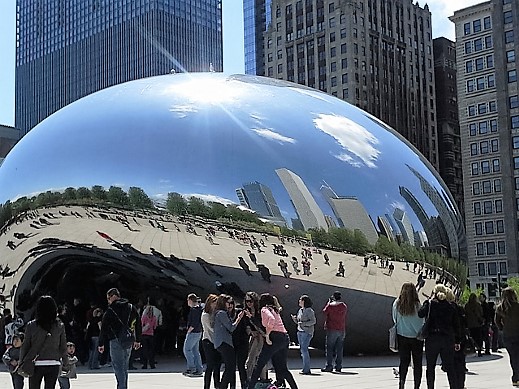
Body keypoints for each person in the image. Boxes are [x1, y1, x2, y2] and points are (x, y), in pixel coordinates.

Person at [247, 293, 298, 389]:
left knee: (259, 365)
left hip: (274, 337)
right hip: (284, 337)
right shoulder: (274, 310)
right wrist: (251, 318)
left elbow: (271, 320)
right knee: (283, 368)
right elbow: (263, 325)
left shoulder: (264, 309)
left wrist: (267, 335)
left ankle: (250, 387)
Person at [418, 284, 461, 389]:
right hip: (447, 339)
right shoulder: (451, 306)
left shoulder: (430, 304)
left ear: (434, 293)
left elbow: (420, 313)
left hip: (432, 339)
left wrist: (428, 301)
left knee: (430, 367)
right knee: (450, 367)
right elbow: (457, 325)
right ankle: (453, 387)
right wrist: (457, 341)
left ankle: (431, 387)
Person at [20, 295, 67, 389]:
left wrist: (21, 361)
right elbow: (63, 346)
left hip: (35, 362)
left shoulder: (31, 325)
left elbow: (25, 345)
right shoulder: (59, 326)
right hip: (54, 362)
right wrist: (65, 361)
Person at [98, 288, 142, 389]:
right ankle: (124, 386)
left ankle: (121, 387)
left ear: (113, 297)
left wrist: (101, 343)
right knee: (124, 367)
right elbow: (138, 324)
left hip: (115, 340)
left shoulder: (110, 310)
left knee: (118, 367)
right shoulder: (131, 307)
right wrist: (138, 339)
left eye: (108, 298)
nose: (108, 301)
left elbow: (104, 328)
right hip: (128, 339)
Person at [392, 282, 424, 389]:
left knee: (404, 361)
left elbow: (395, 319)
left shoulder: (397, 303)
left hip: (402, 336)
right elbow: (421, 321)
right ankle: (416, 386)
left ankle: (401, 383)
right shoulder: (418, 305)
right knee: (417, 363)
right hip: (417, 337)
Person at [214, 294, 245, 389]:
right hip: (224, 342)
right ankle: (223, 386)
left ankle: (224, 386)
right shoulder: (221, 313)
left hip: (223, 343)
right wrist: (239, 318)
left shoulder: (221, 313)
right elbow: (231, 327)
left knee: (229, 366)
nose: (231, 305)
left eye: (232, 303)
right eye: (229, 303)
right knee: (230, 367)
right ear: (223, 303)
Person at [495, 287, 519, 386]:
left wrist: (502, 328)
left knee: (513, 357)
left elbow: (496, 321)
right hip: (518, 334)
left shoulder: (500, 308)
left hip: (507, 335)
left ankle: (516, 377)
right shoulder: (517, 306)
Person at [321, 291, 347, 373]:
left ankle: (329, 365)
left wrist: (328, 303)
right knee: (339, 349)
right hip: (341, 329)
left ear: (333, 297)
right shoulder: (344, 306)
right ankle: (338, 366)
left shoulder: (330, 306)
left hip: (332, 328)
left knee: (329, 348)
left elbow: (324, 312)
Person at [244, 291, 267, 382]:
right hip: (254, 337)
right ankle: (249, 379)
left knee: (260, 358)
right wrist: (250, 331)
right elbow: (246, 325)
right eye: (247, 301)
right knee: (251, 359)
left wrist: (251, 318)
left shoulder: (260, 311)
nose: (249, 303)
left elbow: (261, 325)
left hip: (261, 336)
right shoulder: (246, 311)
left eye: (250, 301)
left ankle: (263, 379)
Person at [292, 294, 316, 375]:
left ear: (304, 301)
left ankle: (306, 369)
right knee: (302, 349)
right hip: (300, 331)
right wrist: (295, 319)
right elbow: (299, 321)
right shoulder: (300, 310)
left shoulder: (309, 311)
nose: (299, 301)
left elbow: (313, 321)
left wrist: (304, 324)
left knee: (304, 350)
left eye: (300, 300)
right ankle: (305, 367)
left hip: (306, 332)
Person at [201, 294, 221, 389]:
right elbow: (210, 328)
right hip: (208, 341)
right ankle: (206, 386)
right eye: (214, 303)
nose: (215, 305)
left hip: (217, 342)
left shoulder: (217, 313)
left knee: (217, 366)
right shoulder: (205, 315)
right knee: (210, 365)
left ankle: (217, 385)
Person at [182, 293, 204, 376]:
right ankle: (199, 369)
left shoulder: (193, 310)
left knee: (187, 349)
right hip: (199, 332)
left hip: (193, 332)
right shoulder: (200, 309)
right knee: (195, 351)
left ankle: (191, 368)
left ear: (190, 300)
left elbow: (194, 323)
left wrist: (188, 331)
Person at [140, 305, 158, 369]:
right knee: (151, 351)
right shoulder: (154, 317)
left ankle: (145, 365)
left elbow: (141, 325)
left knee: (145, 350)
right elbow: (155, 326)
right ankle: (152, 364)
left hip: (144, 334)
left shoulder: (144, 317)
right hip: (151, 334)